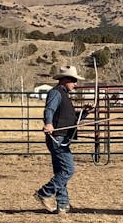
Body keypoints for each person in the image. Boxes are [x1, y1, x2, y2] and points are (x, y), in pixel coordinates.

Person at [34, 65, 92, 214]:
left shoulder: (64, 95)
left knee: (61, 170)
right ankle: (44, 193)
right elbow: (49, 110)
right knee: (68, 169)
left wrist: (84, 113)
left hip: (62, 136)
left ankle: (63, 204)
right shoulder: (56, 93)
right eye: (73, 80)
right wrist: (48, 123)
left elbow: (70, 118)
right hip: (57, 137)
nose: (75, 83)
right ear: (64, 80)